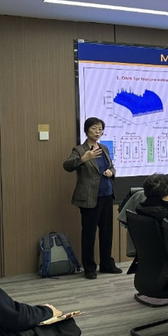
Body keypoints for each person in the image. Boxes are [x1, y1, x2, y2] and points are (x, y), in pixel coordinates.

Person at [63, 117, 121, 280]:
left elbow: (111, 166)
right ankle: (89, 267)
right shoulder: (80, 149)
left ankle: (106, 264)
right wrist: (84, 159)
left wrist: (111, 172)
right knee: (89, 233)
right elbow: (67, 165)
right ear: (87, 130)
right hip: (89, 198)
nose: (98, 132)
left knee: (107, 232)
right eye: (94, 128)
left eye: (100, 129)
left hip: (106, 195)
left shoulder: (104, 148)